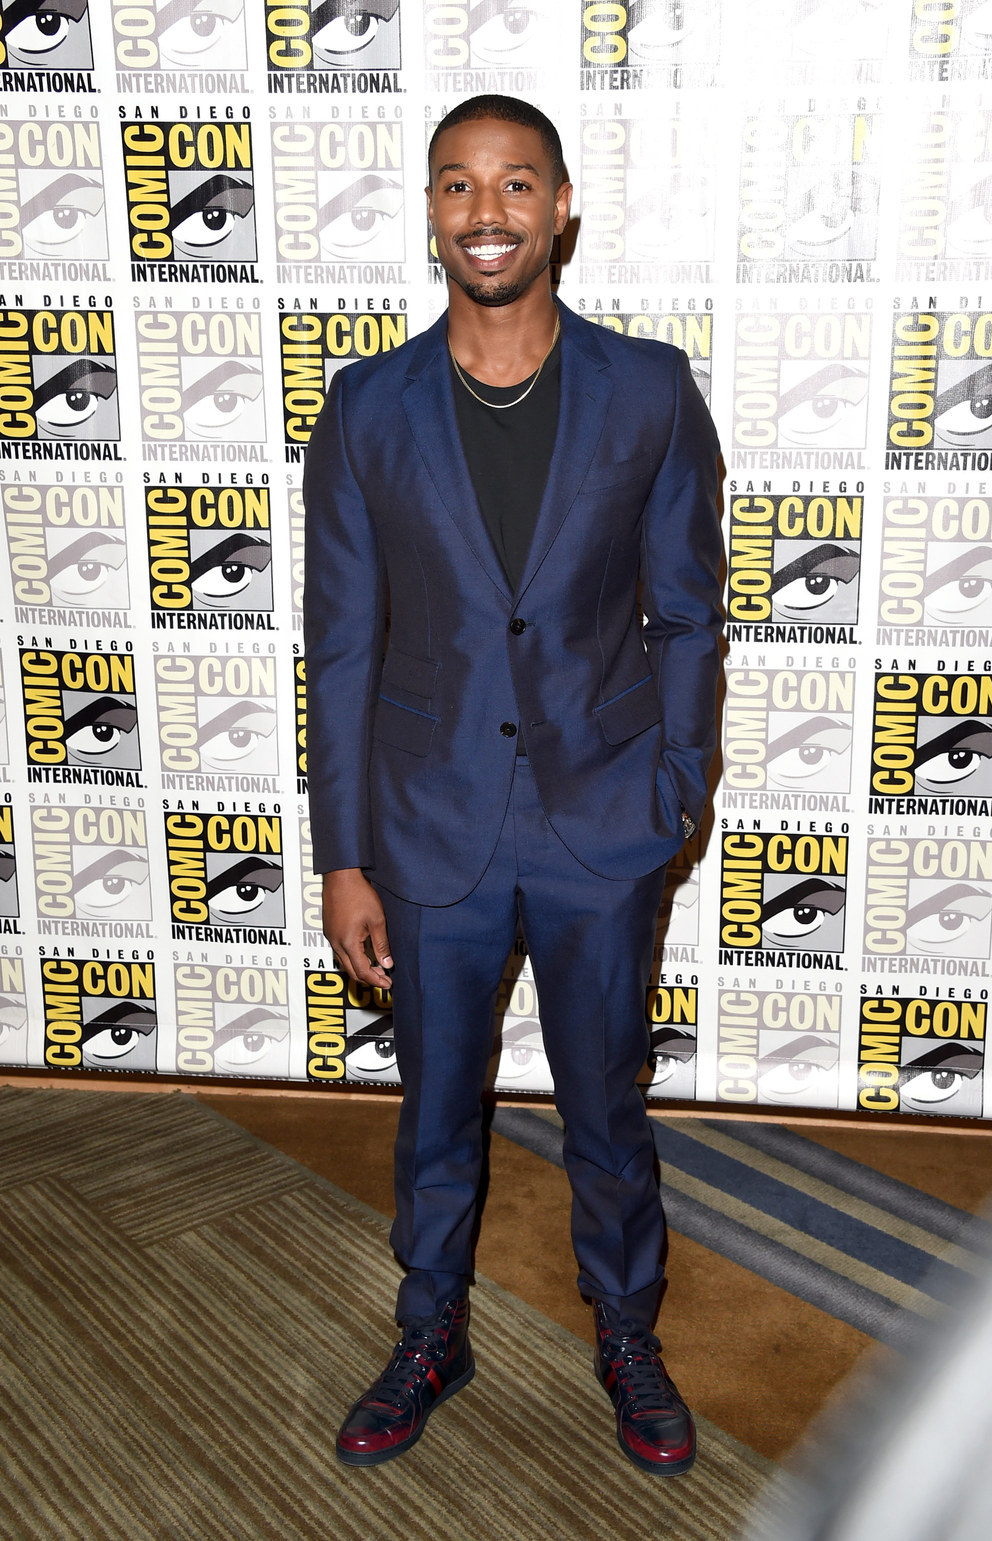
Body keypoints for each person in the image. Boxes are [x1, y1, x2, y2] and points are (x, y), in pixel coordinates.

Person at [303, 94, 723, 1477]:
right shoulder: (365, 408)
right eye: (458, 185)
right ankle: (431, 1329)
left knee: (608, 1104)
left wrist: (675, 783)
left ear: (560, 213)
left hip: (604, 821)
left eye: (516, 183)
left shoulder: (650, 389)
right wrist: (343, 852)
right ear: (431, 213)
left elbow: (687, 612)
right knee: (436, 1107)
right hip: (429, 829)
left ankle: (628, 1331)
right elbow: (346, 641)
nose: (487, 210)